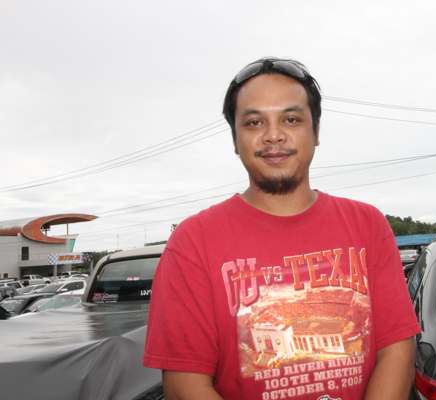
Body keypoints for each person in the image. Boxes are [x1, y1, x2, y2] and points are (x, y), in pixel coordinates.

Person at [143, 57, 420, 400]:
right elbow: (185, 384)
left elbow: (396, 348)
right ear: (235, 139)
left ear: (316, 132)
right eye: (254, 122)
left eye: (291, 119)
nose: (273, 136)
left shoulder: (367, 225)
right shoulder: (192, 243)